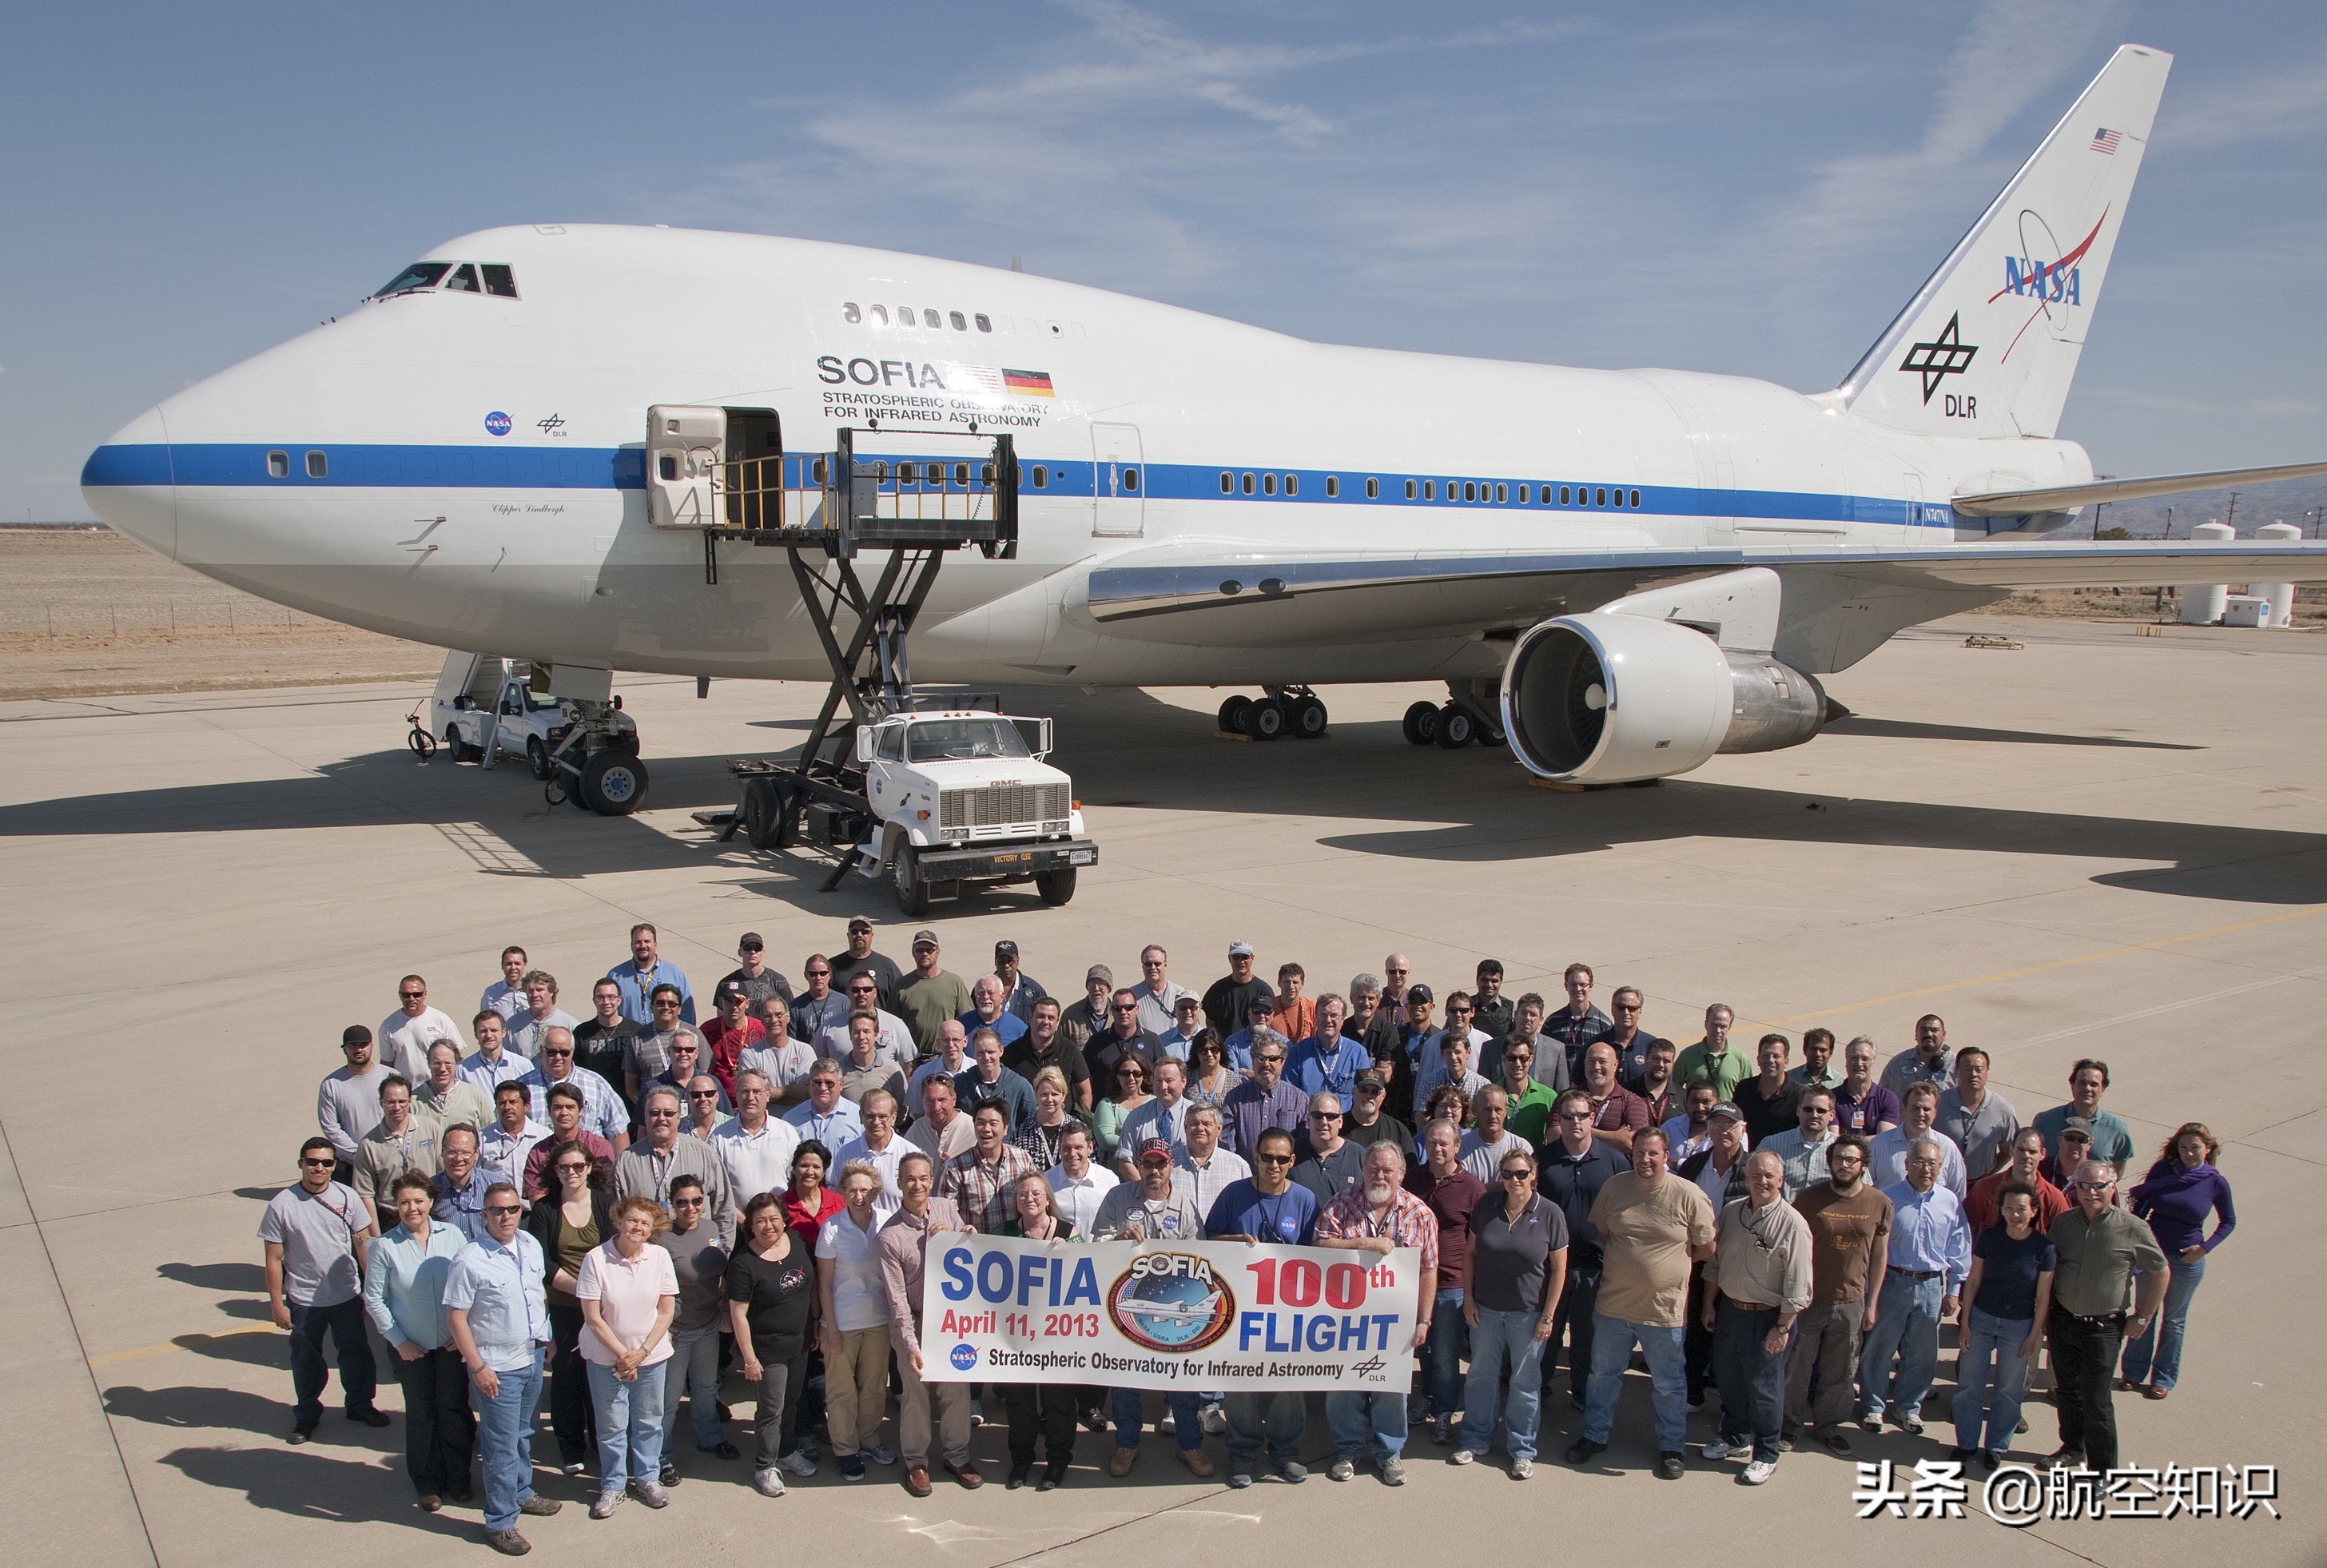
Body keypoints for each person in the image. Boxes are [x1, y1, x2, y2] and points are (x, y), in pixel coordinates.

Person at [1568, 1128, 1716, 1480]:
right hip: (1614, 1306)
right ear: (1631, 1154)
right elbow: (1604, 1232)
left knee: (1668, 1384)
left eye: (1653, 1154)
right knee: (1602, 1376)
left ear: (1666, 1156)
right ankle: (1594, 1435)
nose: (1645, 1160)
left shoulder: (1688, 1194)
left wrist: (1669, 1267)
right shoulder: (1614, 1187)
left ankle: (1672, 1447)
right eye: (1639, 1153)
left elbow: (1707, 1247)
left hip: (1663, 1311)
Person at [443, 1180, 559, 1554]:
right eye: (497, 1210)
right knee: (500, 1446)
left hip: (532, 1356)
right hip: (497, 1367)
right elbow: (456, 1318)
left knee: (524, 1434)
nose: (506, 1216)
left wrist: (547, 1337)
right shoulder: (470, 1260)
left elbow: (536, 1294)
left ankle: (521, 1492)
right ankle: (500, 1522)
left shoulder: (530, 1244)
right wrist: (478, 1367)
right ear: (485, 1214)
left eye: (513, 1209)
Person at [1315, 1142, 1437, 1486]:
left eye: (1387, 1170)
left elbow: (1429, 1270)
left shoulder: (1420, 1213)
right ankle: (1347, 1451)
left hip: (1393, 1323)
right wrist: (1365, 1244)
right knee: (1343, 1385)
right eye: (1373, 1169)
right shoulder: (1341, 1204)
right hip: (1343, 1320)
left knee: (1391, 1388)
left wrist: (1423, 1320)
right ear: (1363, 1170)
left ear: (1401, 1174)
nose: (1379, 1176)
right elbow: (1319, 1245)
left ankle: (1389, 1454)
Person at [1206, 1127, 1316, 1486]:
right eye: (1267, 1157)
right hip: (1240, 1309)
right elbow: (1209, 1241)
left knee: (1289, 1383)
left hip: (1288, 1311)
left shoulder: (1305, 1200)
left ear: (1292, 1161)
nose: (1273, 1165)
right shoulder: (1234, 1194)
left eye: (1281, 1159)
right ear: (1255, 1156)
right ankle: (1242, 1453)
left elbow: (1318, 1256)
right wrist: (1234, 1241)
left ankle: (1285, 1452)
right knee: (1241, 1383)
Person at [1698, 1149, 1812, 1485]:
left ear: (1780, 1180)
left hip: (1769, 1319)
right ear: (1746, 1179)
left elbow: (1799, 1284)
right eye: (1755, 1175)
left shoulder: (1793, 1224)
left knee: (1764, 1390)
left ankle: (1766, 1453)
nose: (1762, 1181)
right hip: (1731, 1311)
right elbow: (1715, 1265)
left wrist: (1782, 1327)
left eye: (1769, 1176)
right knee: (1729, 1379)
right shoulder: (1732, 1212)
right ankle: (1735, 1436)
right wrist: (1709, 1305)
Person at [2047, 1160, 2168, 1472]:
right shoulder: (2063, 1224)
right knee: (2067, 1392)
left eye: (2098, 1186)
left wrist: (2142, 1317)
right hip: (2064, 1321)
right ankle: (2073, 1448)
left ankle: (2102, 1471)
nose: (2091, 1193)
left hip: (2102, 1329)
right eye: (2084, 1186)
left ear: (2112, 1186)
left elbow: (2160, 1271)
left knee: (2096, 1401)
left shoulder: (2132, 1227)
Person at [262, 1137, 385, 1443]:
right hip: (304, 1299)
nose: (319, 1168)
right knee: (306, 1360)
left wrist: (372, 1290)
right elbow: (274, 1259)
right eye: (313, 1162)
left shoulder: (347, 1197)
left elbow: (363, 1244)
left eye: (327, 1162)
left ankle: (360, 1405)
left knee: (356, 1353)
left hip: (346, 1294)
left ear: (334, 1166)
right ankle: (306, 1416)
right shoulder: (281, 1205)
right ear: (301, 1164)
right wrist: (277, 1304)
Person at [364, 1172, 475, 1509]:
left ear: (430, 1202)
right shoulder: (385, 1246)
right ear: (395, 1206)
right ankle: (427, 1483)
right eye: (404, 1203)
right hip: (410, 1348)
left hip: (450, 1345)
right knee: (421, 1414)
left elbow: (469, 1285)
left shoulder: (452, 1235)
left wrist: (463, 1333)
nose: (412, 1208)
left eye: (418, 1201)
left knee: (454, 1410)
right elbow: (374, 1299)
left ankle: (458, 1478)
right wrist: (399, 1341)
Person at [1454, 1145, 1565, 1478]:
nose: (1514, 1180)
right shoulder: (1486, 1206)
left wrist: (1548, 1315)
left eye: (1521, 1173)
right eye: (1507, 1174)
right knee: (1480, 1377)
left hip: (1528, 1314)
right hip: (1486, 1310)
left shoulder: (1550, 1213)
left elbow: (1559, 1269)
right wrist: (1469, 1299)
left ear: (1533, 1175)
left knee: (1524, 1383)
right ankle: (1476, 1439)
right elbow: (1470, 1255)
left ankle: (1522, 1449)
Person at [880, 1151, 979, 1496]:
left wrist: (962, 1234)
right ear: (899, 1183)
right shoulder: (890, 1236)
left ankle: (957, 1456)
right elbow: (896, 1300)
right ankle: (916, 1462)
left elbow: (969, 1246)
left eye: (923, 1178)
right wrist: (910, 1345)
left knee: (956, 1389)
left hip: (949, 1321)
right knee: (916, 1393)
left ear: (932, 1180)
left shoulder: (946, 1209)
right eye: (910, 1179)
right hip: (915, 1319)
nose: (917, 1185)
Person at [1858, 1137, 1971, 1435]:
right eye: (1919, 1162)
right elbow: (1872, 1248)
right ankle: (1873, 1406)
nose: (1926, 1169)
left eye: (1932, 1163)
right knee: (1880, 1348)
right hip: (1893, 1281)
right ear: (1907, 1164)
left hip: (1932, 1284)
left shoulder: (1949, 1201)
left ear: (1940, 1167)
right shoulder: (1887, 1198)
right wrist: (1870, 1292)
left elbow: (1959, 1246)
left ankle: (1908, 1406)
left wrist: (1954, 1290)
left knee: (1922, 1353)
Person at [1787, 1133, 1890, 1455]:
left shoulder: (1879, 1203)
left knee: (1841, 1370)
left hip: (1851, 1302)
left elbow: (1879, 1256)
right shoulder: (1808, 1199)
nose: (1843, 1165)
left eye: (1851, 1160)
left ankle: (1828, 1426)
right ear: (1830, 1162)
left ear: (1863, 1165)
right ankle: (1789, 1425)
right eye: (1838, 1159)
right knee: (1797, 1367)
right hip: (1809, 1300)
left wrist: (1871, 1304)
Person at [575, 1196, 678, 1517]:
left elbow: (666, 1310)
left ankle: (647, 1478)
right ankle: (613, 1485)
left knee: (649, 1422)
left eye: (645, 1223)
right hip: (606, 1358)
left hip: (651, 1356)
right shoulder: (596, 1259)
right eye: (633, 1220)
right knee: (611, 1426)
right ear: (619, 1221)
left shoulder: (660, 1257)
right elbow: (593, 1317)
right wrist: (623, 1355)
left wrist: (642, 1353)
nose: (638, 1227)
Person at [2122, 1122, 2235, 1399]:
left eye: (2195, 1147)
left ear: (2207, 1149)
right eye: (2183, 1147)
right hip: (2153, 1257)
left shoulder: (2215, 1181)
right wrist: (2135, 1246)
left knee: (2174, 1321)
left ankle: (2163, 1378)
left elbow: (2228, 1222)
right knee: (2144, 1314)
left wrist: (2204, 1248)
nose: (2189, 1153)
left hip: (2187, 1262)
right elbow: (2142, 1209)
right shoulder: (2163, 1171)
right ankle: (2133, 1373)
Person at [1950, 1180, 2055, 1468]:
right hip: (1982, 1320)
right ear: (2001, 1210)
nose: (2015, 1214)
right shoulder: (1989, 1238)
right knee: (1969, 1384)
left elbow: (2043, 1297)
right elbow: (1973, 1281)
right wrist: (1966, 1322)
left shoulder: (2044, 1248)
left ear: (2033, 1211)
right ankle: (1966, 1443)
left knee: (2008, 1390)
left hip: (2019, 1326)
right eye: (2009, 1208)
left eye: (2021, 1209)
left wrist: (2034, 1336)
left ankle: (1996, 1446)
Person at [1535, 1088, 1628, 1414]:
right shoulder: (1543, 1160)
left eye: (1582, 1115)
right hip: (1550, 1267)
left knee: (1587, 1338)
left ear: (1592, 1119)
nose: (1575, 1121)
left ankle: (1583, 1394)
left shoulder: (1614, 1161)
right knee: (1546, 1334)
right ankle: (1538, 1392)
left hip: (1596, 1266)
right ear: (1559, 1120)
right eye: (1568, 1116)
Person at [527, 1141, 615, 1474]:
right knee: (566, 1377)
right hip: (563, 1305)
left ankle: (602, 1442)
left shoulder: (605, 1204)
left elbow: (614, 1252)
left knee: (601, 1374)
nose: (572, 1173)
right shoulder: (545, 1209)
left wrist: (596, 1294)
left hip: (603, 1307)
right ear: (556, 1171)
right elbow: (542, 1262)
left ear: (589, 1168)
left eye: (578, 1166)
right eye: (564, 1167)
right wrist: (582, 1290)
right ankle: (570, 1447)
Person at [727, 1191, 820, 1494]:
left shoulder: (797, 1242)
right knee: (771, 1410)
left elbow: (812, 1286)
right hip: (768, 1351)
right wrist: (749, 1359)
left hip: (800, 1343)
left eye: (774, 1219)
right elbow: (738, 1315)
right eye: (760, 1221)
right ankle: (765, 1466)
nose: (769, 1226)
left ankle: (787, 1451)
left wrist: (816, 1322)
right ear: (751, 1226)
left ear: (784, 1220)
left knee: (791, 1402)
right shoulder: (744, 1264)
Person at [997, 1173, 1081, 1489]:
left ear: (1048, 1198)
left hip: (1056, 1334)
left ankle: (1057, 1462)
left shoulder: (1068, 1233)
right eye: (1022, 1194)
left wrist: (1070, 1252)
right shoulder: (1004, 1232)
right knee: (1019, 1402)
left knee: (1059, 1401)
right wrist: (968, 1238)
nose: (1029, 1199)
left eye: (1035, 1193)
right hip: (1016, 1334)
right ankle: (1021, 1461)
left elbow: (1087, 1274)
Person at [817, 1160, 898, 1479]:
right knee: (841, 1391)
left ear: (875, 1192)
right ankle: (846, 1449)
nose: (859, 1196)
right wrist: (832, 1329)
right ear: (843, 1192)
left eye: (865, 1190)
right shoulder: (832, 1228)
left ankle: (870, 1439)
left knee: (874, 1387)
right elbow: (824, 1284)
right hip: (842, 1322)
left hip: (878, 1320)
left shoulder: (887, 1221)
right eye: (852, 1190)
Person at [654, 1173, 735, 1481]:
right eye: (682, 1203)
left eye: (697, 1201)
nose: (690, 1208)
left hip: (708, 1323)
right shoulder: (661, 1238)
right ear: (672, 1205)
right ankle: (660, 1457)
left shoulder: (711, 1229)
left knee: (705, 1387)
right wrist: (662, 1329)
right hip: (677, 1329)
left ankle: (710, 1438)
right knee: (669, 1398)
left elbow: (719, 1272)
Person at [1405, 1120, 1482, 1441]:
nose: (1437, 1148)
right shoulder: (1412, 1180)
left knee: (1447, 1354)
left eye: (1444, 1143)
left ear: (1457, 1147)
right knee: (1423, 1348)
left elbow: (1478, 1241)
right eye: (1432, 1142)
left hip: (1452, 1283)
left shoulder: (1472, 1188)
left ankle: (1445, 1411)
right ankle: (1429, 1396)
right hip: (1414, 1280)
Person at [615, 1086, 735, 1244]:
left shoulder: (704, 1154)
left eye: (668, 1113)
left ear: (679, 1117)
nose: (661, 1119)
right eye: (654, 1113)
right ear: (645, 1117)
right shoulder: (626, 1161)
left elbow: (724, 1210)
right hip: (645, 1253)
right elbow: (617, 1216)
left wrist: (721, 1253)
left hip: (697, 1253)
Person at [350, 1074, 444, 1228]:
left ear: (410, 1101)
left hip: (430, 1213)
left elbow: (443, 1173)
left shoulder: (431, 1128)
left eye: (402, 1102)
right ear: (381, 1103)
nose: (397, 1107)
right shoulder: (369, 1144)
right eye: (390, 1102)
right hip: (392, 1217)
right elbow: (365, 1194)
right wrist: (376, 1235)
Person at [523, 1027, 630, 1152]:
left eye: (564, 1052)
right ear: (542, 1051)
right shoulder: (523, 1087)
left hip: (590, 1162)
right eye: (552, 1052)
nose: (558, 1057)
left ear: (572, 1052)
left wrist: (619, 1163)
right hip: (539, 1160)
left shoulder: (597, 1084)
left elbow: (618, 1133)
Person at [714, 1069, 801, 1217]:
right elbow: (717, 1189)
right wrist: (745, 1223)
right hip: (737, 1222)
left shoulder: (787, 1132)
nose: (750, 1097)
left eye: (756, 1092)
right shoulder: (719, 1137)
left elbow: (796, 1182)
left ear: (768, 1096)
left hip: (780, 1220)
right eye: (744, 1091)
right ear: (736, 1095)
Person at [943, 1102, 1041, 1232]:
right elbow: (946, 1215)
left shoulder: (1022, 1159)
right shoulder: (956, 1167)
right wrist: (961, 1229)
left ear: (1005, 1129)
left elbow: (1038, 1201)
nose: (986, 1129)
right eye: (980, 1123)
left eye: (993, 1124)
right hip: (976, 1242)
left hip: (1017, 1240)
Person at [2033, 1059, 2137, 1171]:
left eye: (2094, 1085)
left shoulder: (2117, 1129)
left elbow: (2116, 1171)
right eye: (2082, 1083)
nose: (2087, 1088)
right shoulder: (2044, 1122)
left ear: (2102, 1089)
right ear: (2072, 1086)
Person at [1868, 1083, 1967, 1196]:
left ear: (1935, 1113)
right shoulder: (1878, 1145)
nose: (1920, 1114)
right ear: (1904, 1108)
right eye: (1915, 1108)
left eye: (1926, 1109)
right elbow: (1865, 1188)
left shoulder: (1948, 1147)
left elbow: (1957, 1195)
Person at [1223, 1033, 1307, 1167]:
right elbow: (1227, 1146)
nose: (1266, 1064)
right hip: (1246, 1177)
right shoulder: (1235, 1099)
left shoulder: (1299, 1100)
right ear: (1252, 1060)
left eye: (1273, 1059)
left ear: (1283, 1061)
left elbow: (1304, 1146)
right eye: (1261, 1058)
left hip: (1286, 1177)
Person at [1935, 1046, 2019, 1179]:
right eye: (1968, 1069)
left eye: (1979, 1070)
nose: (1973, 1074)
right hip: (1943, 1182)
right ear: (1956, 1071)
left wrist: (1989, 1175)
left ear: (1987, 1072)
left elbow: (2009, 1150)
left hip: (1980, 1183)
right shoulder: (1938, 1104)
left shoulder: (2003, 1109)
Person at [1966, 1128, 2068, 1232]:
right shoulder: (1985, 1188)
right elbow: (1965, 1227)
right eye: (2021, 1150)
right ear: (2011, 1150)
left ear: (2042, 1154)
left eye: (2032, 1152)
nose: (2026, 1156)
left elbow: (2063, 1236)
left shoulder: (2054, 1198)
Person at [317, 1025, 389, 1172]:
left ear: (372, 1046)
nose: (359, 1049)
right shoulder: (331, 1084)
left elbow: (404, 1115)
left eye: (363, 1045)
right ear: (344, 1050)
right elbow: (331, 1128)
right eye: (353, 1046)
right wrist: (359, 1155)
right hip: (350, 1165)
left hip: (389, 1158)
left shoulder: (390, 1077)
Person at [833, 1089, 912, 1216]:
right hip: (855, 1228)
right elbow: (836, 1197)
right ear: (861, 1116)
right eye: (870, 1116)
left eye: (882, 1117)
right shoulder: (846, 1154)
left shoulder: (909, 1154)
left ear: (893, 1118)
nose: (876, 1122)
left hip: (898, 1227)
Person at [1007, 996, 1092, 1112]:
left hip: (1062, 1121)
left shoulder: (1070, 1050)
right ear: (1030, 1018)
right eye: (1041, 1016)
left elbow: (1085, 1092)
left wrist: (1080, 1120)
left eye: (1051, 1018)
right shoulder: (1012, 1051)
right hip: (1022, 1121)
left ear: (1057, 1023)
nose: (1045, 1022)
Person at [894, 929, 975, 1053]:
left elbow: (968, 1021)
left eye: (930, 950)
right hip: (913, 1058)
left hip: (946, 1056)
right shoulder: (901, 986)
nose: (925, 954)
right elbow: (892, 1025)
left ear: (938, 952)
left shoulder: (954, 983)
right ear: (913, 952)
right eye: (920, 950)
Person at [571, 981, 642, 1119]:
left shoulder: (635, 1030)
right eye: (600, 997)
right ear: (594, 1000)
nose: (606, 1002)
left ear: (619, 1000)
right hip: (593, 1104)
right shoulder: (582, 1033)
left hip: (628, 1104)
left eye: (611, 997)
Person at [818, 973, 914, 1067]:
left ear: (875, 992)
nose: (861, 994)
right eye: (856, 990)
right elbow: (817, 1063)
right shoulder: (830, 1026)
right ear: (848, 993)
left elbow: (908, 1064)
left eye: (867, 989)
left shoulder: (895, 1024)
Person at [381, 975, 464, 1083]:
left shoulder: (441, 1020)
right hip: (406, 1089)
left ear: (425, 994)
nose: (411, 999)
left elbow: (457, 1057)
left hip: (439, 1087)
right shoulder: (388, 1026)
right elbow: (387, 1064)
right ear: (400, 995)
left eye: (417, 995)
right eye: (406, 995)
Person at [1289, 996, 1371, 1105]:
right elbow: (1290, 1095)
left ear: (1343, 1019)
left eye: (1334, 1015)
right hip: (1308, 1115)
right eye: (1323, 1014)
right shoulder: (1297, 1052)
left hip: (1345, 1115)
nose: (1328, 1020)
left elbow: (1365, 1094)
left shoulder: (1358, 1053)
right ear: (1316, 1018)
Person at [1760, 1086, 1839, 1200]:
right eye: (1808, 1109)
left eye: (1821, 1111)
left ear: (1831, 1115)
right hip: (1782, 1210)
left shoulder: (1841, 1149)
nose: (1814, 1115)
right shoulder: (1771, 1145)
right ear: (1798, 1111)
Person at [1173, 1104, 1248, 1221]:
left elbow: (1247, 1211)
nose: (1200, 1128)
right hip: (1178, 1233)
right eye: (1194, 1124)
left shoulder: (1238, 1166)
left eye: (1206, 1124)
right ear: (1185, 1127)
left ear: (1218, 1129)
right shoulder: (1167, 1163)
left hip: (1222, 1232)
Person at [611, 921, 694, 1025]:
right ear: (631, 945)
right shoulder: (616, 977)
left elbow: (687, 1013)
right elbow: (607, 1013)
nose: (643, 946)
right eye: (638, 942)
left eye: (647, 941)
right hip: (629, 1035)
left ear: (655, 945)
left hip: (666, 1035)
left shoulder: (675, 975)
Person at [955, 1026, 1036, 1130]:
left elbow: (1030, 1125)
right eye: (981, 1053)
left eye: (991, 1052)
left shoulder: (1020, 1087)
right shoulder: (961, 1084)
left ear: (1001, 1051)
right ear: (974, 1053)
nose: (986, 1058)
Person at [1047, 1122, 1120, 1236]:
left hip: (1100, 1247)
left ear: (1090, 1148)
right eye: (1066, 1148)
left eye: (1078, 1148)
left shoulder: (1109, 1181)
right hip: (1059, 1247)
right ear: (1060, 1149)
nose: (1072, 1154)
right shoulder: (1047, 1182)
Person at [1292, 1091, 1366, 1204]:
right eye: (1317, 1115)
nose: (1324, 1122)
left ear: (1340, 1121)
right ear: (1308, 1119)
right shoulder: (1291, 1152)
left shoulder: (1359, 1155)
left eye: (1331, 1116)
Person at [1579, 1041, 1651, 1155]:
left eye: (1602, 1062)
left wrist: (1577, 1130)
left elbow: (1636, 1144)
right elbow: (1555, 1135)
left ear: (1615, 1065)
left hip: (1615, 1166)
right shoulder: (1567, 1098)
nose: (1596, 1067)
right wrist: (1616, 1137)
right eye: (1591, 1061)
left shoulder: (1632, 1102)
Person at [742, 994, 816, 1107]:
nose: (773, 1020)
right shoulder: (750, 1054)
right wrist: (791, 1092)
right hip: (765, 1116)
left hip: (799, 1116)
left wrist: (769, 1093)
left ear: (788, 1017)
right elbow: (752, 1094)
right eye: (768, 1016)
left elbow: (806, 1092)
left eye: (778, 1015)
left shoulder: (804, 1051)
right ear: (762, 1020)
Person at [702, 979, 767, 1103]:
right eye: (729, 1001)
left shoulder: (760, 1029)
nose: (734, 1007)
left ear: (747, 1004)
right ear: (721, 1002)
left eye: (738, 1002)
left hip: (751, 1099)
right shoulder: (708, 1029)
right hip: (717, 1100)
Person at [1543, 962, 1612, 1077]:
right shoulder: (1553, 1022)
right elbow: (1544, 1056)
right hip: (1561, 1084)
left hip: (1590, 1084)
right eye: (1573, 984)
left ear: (1590, 986)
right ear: (1566, 986)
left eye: (1582, 984)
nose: (1578, 989)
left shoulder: (1603, 1024)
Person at [1732, 1033, 1800, 1148]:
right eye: (1766, 1055)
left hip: (1784, 1156)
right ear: (1758, 1060)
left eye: (1776, 1056)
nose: (1770, 1060)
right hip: (1748, 1156)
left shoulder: (1799, 1095)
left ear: (1786, 1062)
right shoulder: (1744, 1089)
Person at [783, 1058, 865, 1149]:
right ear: (809, 1084)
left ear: (841, 1085)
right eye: (817, 1082)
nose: (822, 1088)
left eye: (829, 1083)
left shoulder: (858, 1117)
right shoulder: (790, 1119)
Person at [1674, 1004, 1752, 1101]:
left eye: (1723, 1026)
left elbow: (1749, 1093)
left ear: (1729, 1028)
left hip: (1726, 1111)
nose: (1718, 1030)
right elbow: (1673, 1089)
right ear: (1706, 1024)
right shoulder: (1687, 1055)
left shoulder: (1740, 1058)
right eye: (1714, 1025)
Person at [1010, 1065, 1084, 1168]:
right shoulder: (1021, 1134)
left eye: (1055, 1094)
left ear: (1064, 1096)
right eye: (1044, 1094)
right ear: (1036, 1094)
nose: (1049, 1100)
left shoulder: (1080, 1131)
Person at [1088, 988, 1164, 1084]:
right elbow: (1084, 1079)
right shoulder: (1096, 1042)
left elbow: (1163, 1074)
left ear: (1137, 1009)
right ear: (1112, 1011)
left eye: (1128, 1007)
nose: (1123, 1012)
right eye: (1117, 1008)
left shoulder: (1152, 1040)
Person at [432, 1124, 494, 1240]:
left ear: (476, 1154)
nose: (458, 1158)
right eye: (452, 1152)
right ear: (442, 1152)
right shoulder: (429, 1190)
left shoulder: (494, 1185)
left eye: (465, 1153)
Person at [1831, 1035, 1902, 1136]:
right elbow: (1832, 1139)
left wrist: (1848, 1141)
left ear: (1873, 1061)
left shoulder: (1887, 1098)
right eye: (1854, 1058)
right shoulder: (1831, 1098)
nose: (1859, 1063)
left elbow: (1885, 1139)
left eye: (1865, 1059)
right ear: (1846, 1061)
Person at [419, 1039, 494, 1135]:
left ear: (456, 1064)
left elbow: (491, 1134)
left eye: (448, 1063)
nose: (442, 1069)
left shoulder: (475, 1096)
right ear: (429, 1063)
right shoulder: (414, 1100)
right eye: (437, 1063)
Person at [1342, 1069, 1418, 1164]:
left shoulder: (1398, 1131)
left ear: (1383, 1096)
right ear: (1353, 1092)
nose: (1369, 1096)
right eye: (1364, 1090)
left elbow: (1411, 1168)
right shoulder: (1338, 1126)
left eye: (1375, 1092)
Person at [782, 1141, 844, 1257]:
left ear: (823, 1173)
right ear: (794, 1169)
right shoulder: (780, 1205)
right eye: (804, 1166)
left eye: (816, 1167)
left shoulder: (840, 1203)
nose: (810, 1172)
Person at [1091, 1052, 1152, 1167]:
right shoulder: (1107, 1105)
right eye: (1125, 1073)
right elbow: (1106, 1141)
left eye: (1137, 1073)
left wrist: (1122, 1132)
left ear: (1144, 1075)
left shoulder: (1154, 1103)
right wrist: (1145, 1140)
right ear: (1117, 1076)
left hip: (1151, 1170)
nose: (1131, 1078)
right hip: (1115, 1174)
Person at [841, 1012, 910, 1108]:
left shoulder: (892, 1070)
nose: (861, 1037)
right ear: (850, 1035)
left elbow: (902, 1107)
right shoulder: (838, 1070)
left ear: (876, 1035)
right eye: (856, 1032)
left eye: (866, 1032)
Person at [1203, 938, 1273, 1034]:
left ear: (1252, 958)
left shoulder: (1263, 991)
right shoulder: (1217, 989)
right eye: (1236, 957)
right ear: (1229, 959)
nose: (1241, 961)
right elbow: (1210, 1021)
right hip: (1225, 1043)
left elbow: (1271, 1020)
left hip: (1255, 1042)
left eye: (1245, 957)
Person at [509, 969, 582, 1060]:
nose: (535, 995)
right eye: (530, 991)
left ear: (551, 992)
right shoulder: (512, 1025)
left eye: (540, 990)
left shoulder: (570, 1025)